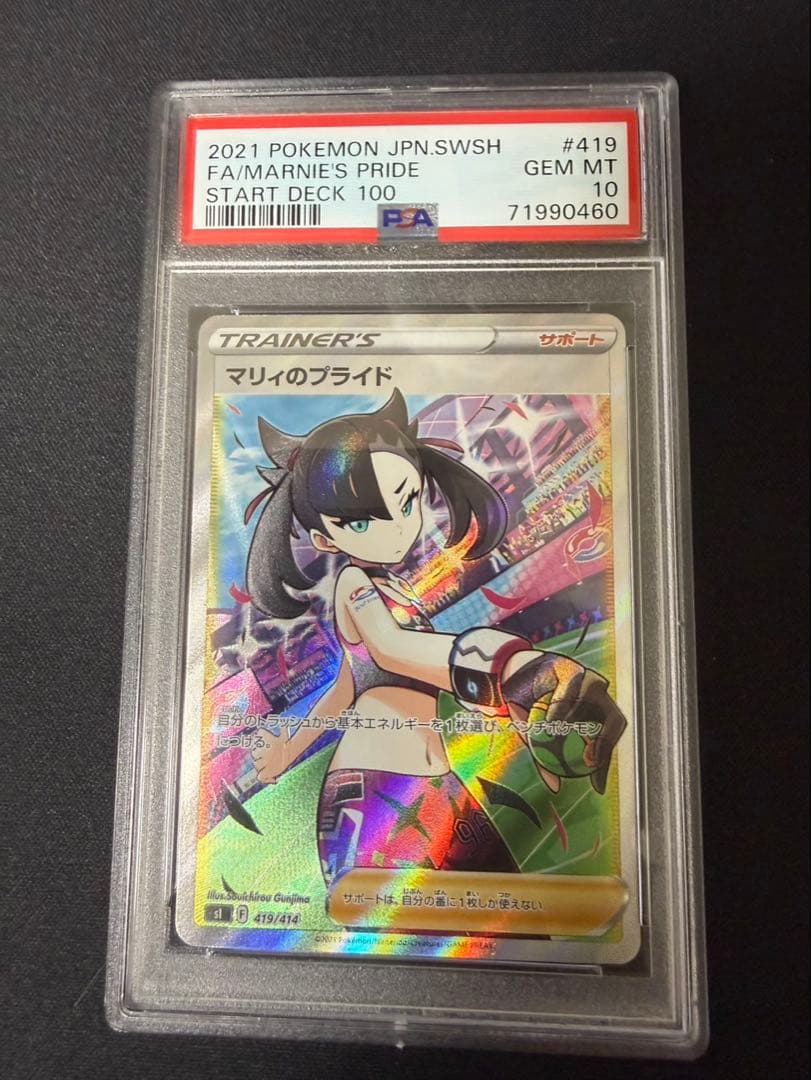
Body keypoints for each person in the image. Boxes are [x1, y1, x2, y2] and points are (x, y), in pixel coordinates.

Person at [245, 390, 625, 885]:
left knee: (499, 915)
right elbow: (392, 650)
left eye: (407, 501)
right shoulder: (354, 584)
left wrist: (287, 749)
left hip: (439, 788)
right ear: (323, 539)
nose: (396, 526)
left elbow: (345, 688)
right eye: (360, 521)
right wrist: (510, 669)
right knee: (415, 926)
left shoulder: (394, 590)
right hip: (376, 794)